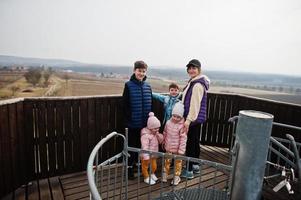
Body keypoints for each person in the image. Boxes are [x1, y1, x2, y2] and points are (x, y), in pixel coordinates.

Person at [122, 60, 152, 179]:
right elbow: (124, 105)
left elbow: (150, 104)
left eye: (144, 71)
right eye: (139, 71)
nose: (141, 73)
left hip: (145, 125)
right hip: (132, 123)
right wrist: (128, 120)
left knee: (143, 146)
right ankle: (129, 168)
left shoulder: (147, 86)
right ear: (134, 70)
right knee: (131, 146)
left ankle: (141, 166)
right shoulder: (128, 85)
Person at [181, 59, 210, 179]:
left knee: (191, 144)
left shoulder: (197, 84)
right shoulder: (194, 82)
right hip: (195, 119)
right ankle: (195, 165)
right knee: (194, 142)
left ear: (199, 70)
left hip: (192, 119)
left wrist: (188, 121)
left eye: (194, 68)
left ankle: (188, 170)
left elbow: (194, 105)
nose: (191, 70)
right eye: (190, 68)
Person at [161, 102, 187, 185]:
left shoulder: (182, 126)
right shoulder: (168, 123)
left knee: (177, 163)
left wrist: (181, 150)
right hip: (168, 147)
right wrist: (163, 141)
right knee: (167, 161)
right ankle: (165, 175)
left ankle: (176, 177)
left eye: (178, 117)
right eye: (174, 116)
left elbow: (183, 138)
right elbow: (165, 133)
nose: (175, 118)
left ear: (181, 116)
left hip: (177, 150)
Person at [140, 112, 164, 185]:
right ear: (150, 127)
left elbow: (161, 141)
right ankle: (146, 177)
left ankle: (152, 173)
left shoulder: (155, 133)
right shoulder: (145, 136)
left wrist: (158, 135)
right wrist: (146, 156)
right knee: (145, 166)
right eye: (155, 128)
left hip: (153, 154)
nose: (157, 129)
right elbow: (145, 146)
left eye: (158, 128)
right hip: (146, 155)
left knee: (154, 166)